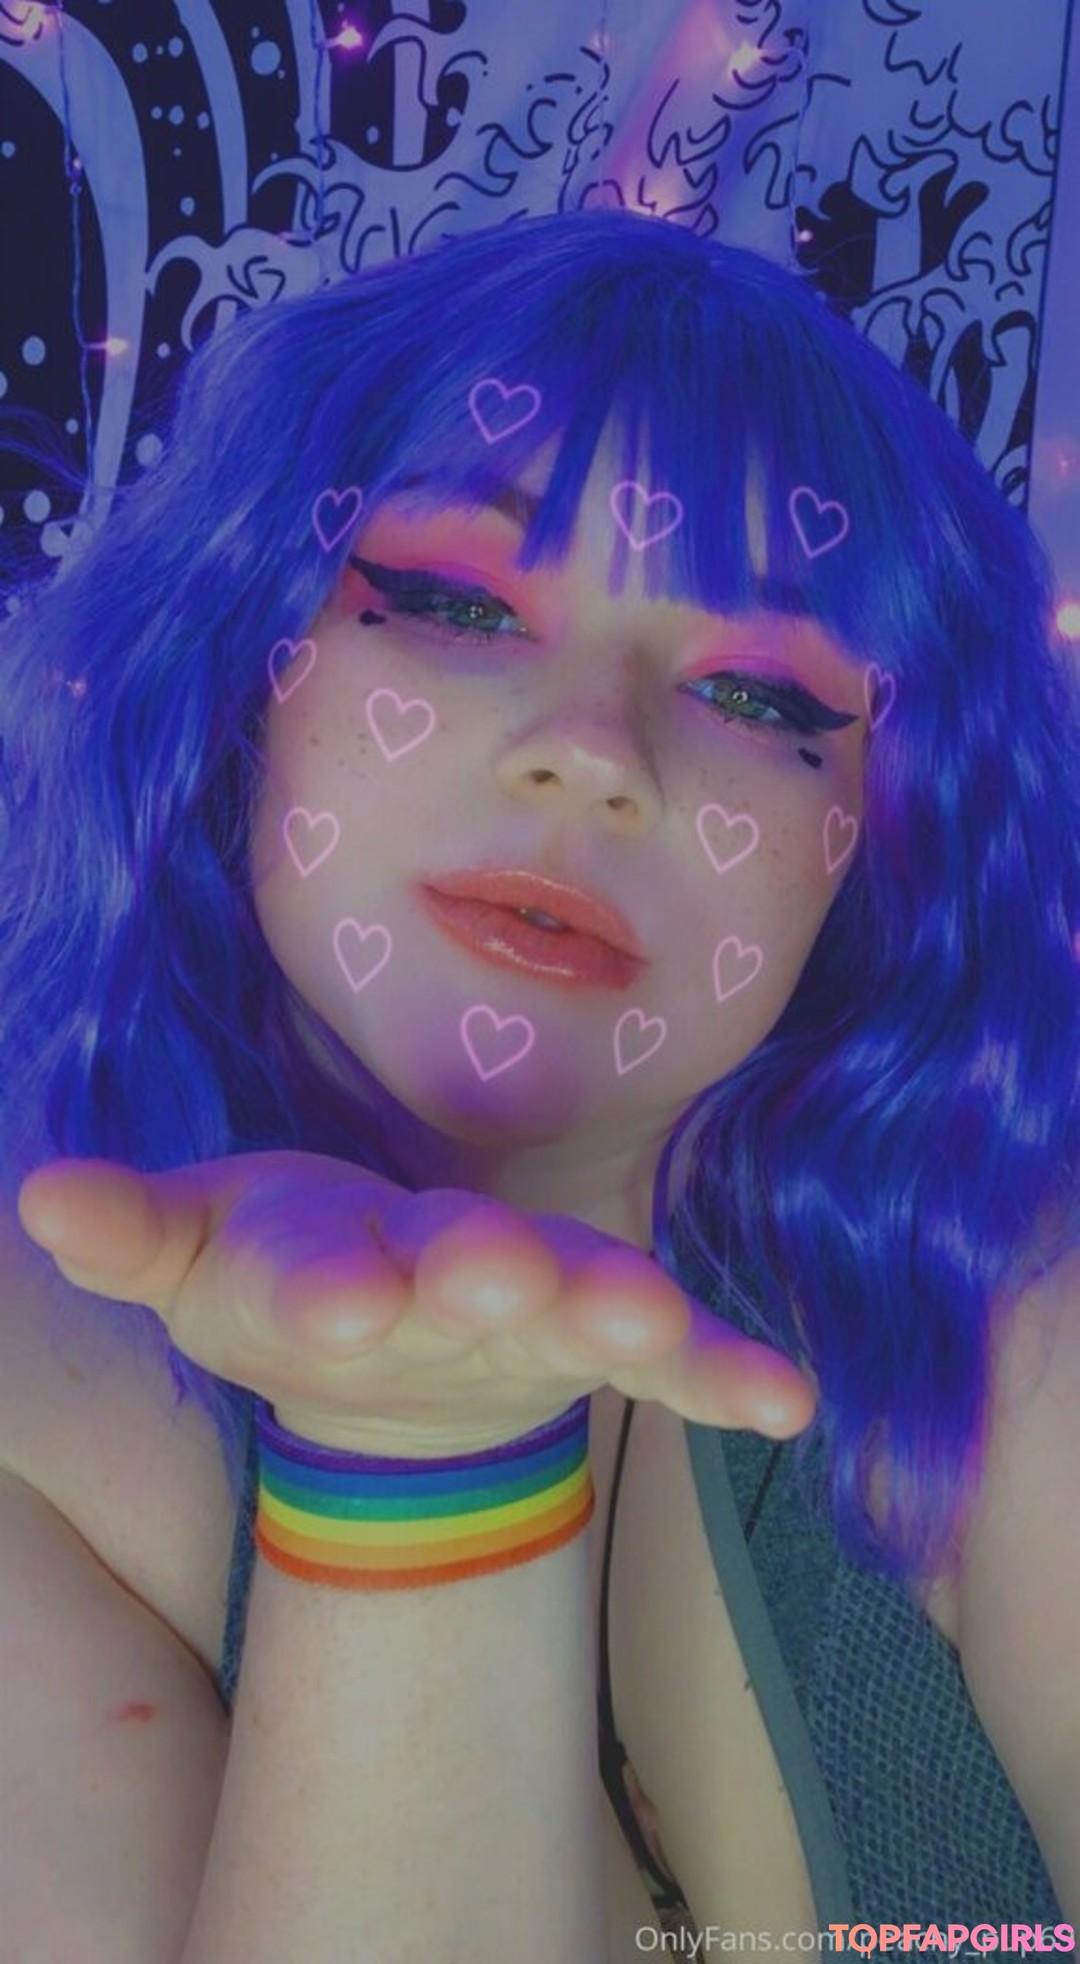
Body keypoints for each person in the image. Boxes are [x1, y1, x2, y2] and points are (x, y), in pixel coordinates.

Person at [0, 206, 1077, 1959]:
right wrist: (412, 1462)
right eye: (454, 603)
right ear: (238, 662)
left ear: (879, 838)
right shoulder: (35, 1402)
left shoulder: (1013, 1306)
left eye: (760, 694)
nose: (593, 755)